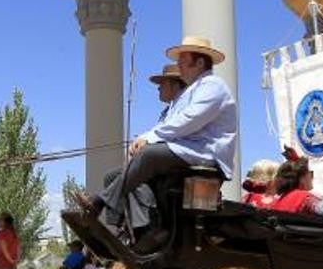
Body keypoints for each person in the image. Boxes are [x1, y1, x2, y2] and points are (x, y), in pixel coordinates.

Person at [76, 36, 236, 236]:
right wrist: (146, 140)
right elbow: (175, 126)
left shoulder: (213, 86)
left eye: (182, 61)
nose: (178, 65)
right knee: (116, 175)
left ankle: (99, 202)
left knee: (149, 155)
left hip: (206, 155)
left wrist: (149, 139)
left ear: (200, 62)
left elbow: (189, 120)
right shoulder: (192, 91)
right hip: (187, 151)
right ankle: (139, 230)